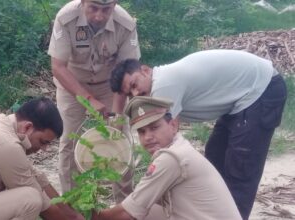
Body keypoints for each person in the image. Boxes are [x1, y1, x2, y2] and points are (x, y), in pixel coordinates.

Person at [109, 49, 288, 219]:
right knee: (215, 155)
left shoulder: (163, 85)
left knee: (240, 170)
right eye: (129, 94)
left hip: (260, 88)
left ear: (145, 70)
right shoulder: (159, 81)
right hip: (239, 99)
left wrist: (145, 192)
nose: (136, 93)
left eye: (134, 85)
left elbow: (166, 144)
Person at [48, 0, 140, 201]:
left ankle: (124, 204)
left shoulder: (125, 24)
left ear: (114, 4)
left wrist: (116, 114)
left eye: (106, 9)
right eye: (93, 8)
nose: (99, 16)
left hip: (110, 84)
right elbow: (58, 67)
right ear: (83, 2)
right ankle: (74, 202)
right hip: (72, 83)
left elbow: (125, 72)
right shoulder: (66, 18)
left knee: (120, 139)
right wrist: (88, 99)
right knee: (69, 139)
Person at [93, 96, 241, 220]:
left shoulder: (171, 158)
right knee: (146, 210)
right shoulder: (180, 146)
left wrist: (91, 216)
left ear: (173, 125)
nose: (148, 137)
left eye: (154, 127)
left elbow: (127, 213)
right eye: (142, 132)